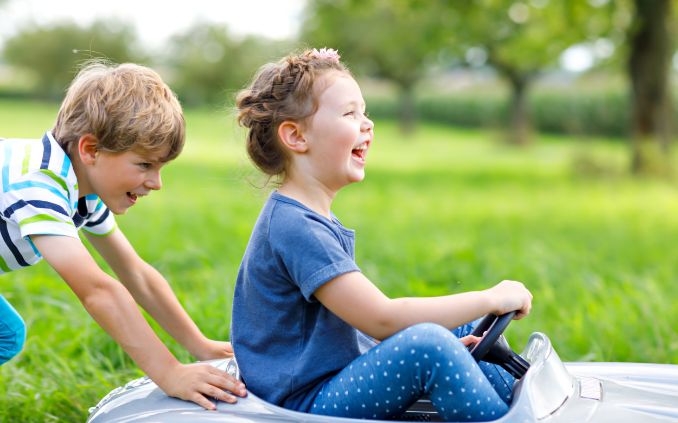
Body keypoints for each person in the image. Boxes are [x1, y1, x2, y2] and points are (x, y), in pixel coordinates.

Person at [231, 48, 533, 422]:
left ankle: (524, 409)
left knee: (461, 327)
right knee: (429, 346)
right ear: (296, 136)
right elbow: (381, 318)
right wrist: (491, 297)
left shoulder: (307, 216)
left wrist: (463, 331)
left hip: (328, 380)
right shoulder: (294, 227)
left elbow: (353, 331)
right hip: (303, 402)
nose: (367, 124)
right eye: (350, 113)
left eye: (365, 112)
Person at [0, 61, 246, 410]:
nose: (156, 183)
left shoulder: (82, 191)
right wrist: (170, 373)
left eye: (160, 167)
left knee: (5, 335)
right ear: (91, 150)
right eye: (145, 165)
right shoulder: (37, 183)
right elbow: (97, 290)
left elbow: (135, 273)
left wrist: (199, 344)